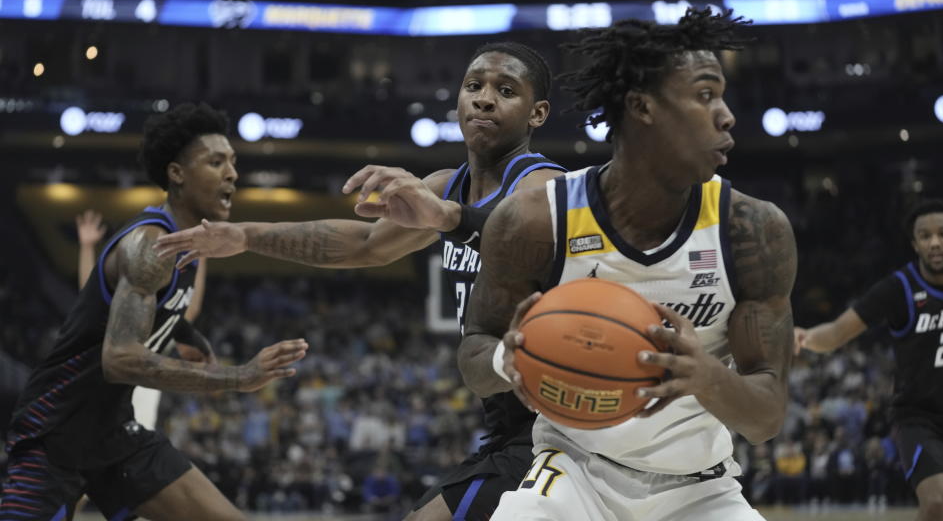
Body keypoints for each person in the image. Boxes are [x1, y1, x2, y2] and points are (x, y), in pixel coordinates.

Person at [153, 42, 565, 521]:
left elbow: (508, 231)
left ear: (537, 113)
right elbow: (363, 244)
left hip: (552, 417)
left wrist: (448, 218)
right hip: (504, 420)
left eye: (505, 90)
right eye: (473, 86)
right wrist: (245, 236)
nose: (484, 99)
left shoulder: (543, 184)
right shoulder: (445, 185)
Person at [457, 9, 797, 521]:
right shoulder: (534, 220)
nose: (726, 115)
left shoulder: (753, 230)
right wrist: (511, 358)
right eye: (705, 96)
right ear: (642, 107)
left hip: (701, 490)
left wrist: (705, 376)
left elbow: (767, 416)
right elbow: (473, 355)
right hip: (573, 473)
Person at [0, 103, 308, 521]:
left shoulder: (187, 246)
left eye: (233, 162)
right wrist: (237, 375)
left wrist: (189, 337)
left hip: (114, 434)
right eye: (216, 162)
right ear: (176, 173)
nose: (233, 173)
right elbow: (120, 358)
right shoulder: (151, 245)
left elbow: (157, 307)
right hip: (56, 433)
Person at [794, 198, 943, 521]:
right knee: (937, 500)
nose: (935, 242)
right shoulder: (899, 288)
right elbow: (840, 331)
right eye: (925, 236)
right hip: (920, 417)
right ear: (915, 244)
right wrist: (806, 337)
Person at [76, 210, 208, 430]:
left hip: (132, 396)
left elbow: (190, 309)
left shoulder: (157, 307)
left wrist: (200, 256)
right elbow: (88, 294)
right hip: (105, 393)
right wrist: (87, 247)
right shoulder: (124, 308)